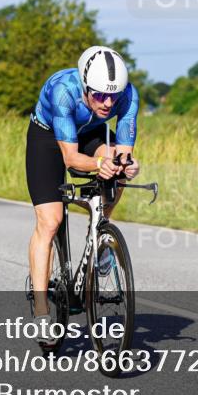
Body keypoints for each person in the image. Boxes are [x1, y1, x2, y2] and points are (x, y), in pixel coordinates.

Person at [25, 46, 141, 338]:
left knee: (118, 167)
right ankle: (41, 311)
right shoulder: (64, 91)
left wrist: (125, 164)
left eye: (113, 95)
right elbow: (71, 159)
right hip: (50, 136)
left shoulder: (128, 95)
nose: (107, 102)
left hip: (91, 132)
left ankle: (100, 233)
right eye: (100, 94)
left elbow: (123, 151)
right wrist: (100, 163)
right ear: (86, 86)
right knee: (50, 222)